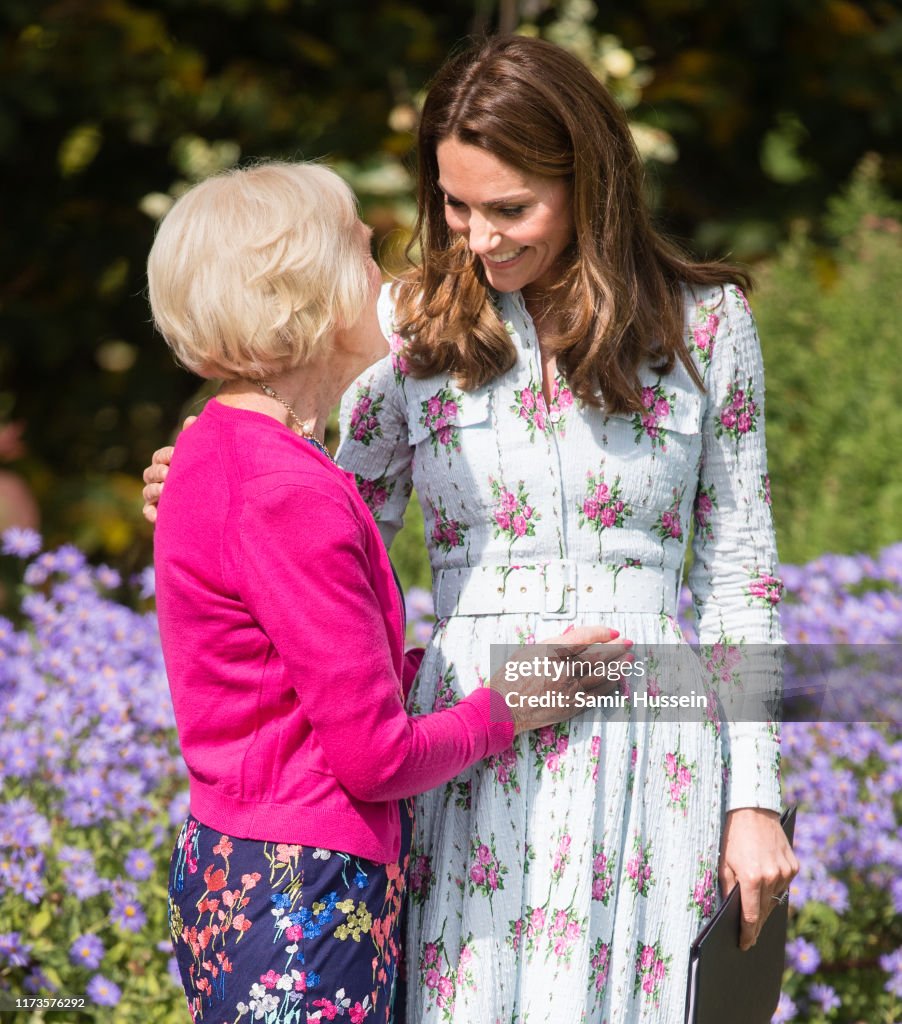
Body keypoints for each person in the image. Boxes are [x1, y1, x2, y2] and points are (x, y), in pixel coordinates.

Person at [144, 35, 799, 1024]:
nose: (478, 238)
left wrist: (753, 798)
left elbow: (738, 574)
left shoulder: (704, 325)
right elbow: (319, 529)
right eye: (454, 205)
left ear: (590, 183)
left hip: (651, 761)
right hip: (465, 756)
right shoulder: (403, 327)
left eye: (510, 208)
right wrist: (197, 497)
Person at [145, 159, 630, 1024]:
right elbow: (375, 759)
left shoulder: (214, 451)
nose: (389, 280)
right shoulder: (287, 491)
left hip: (241, 862)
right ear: (311, 293)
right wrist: (509, 706)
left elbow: (288, 684)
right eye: (366, 257)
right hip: (306, 891)